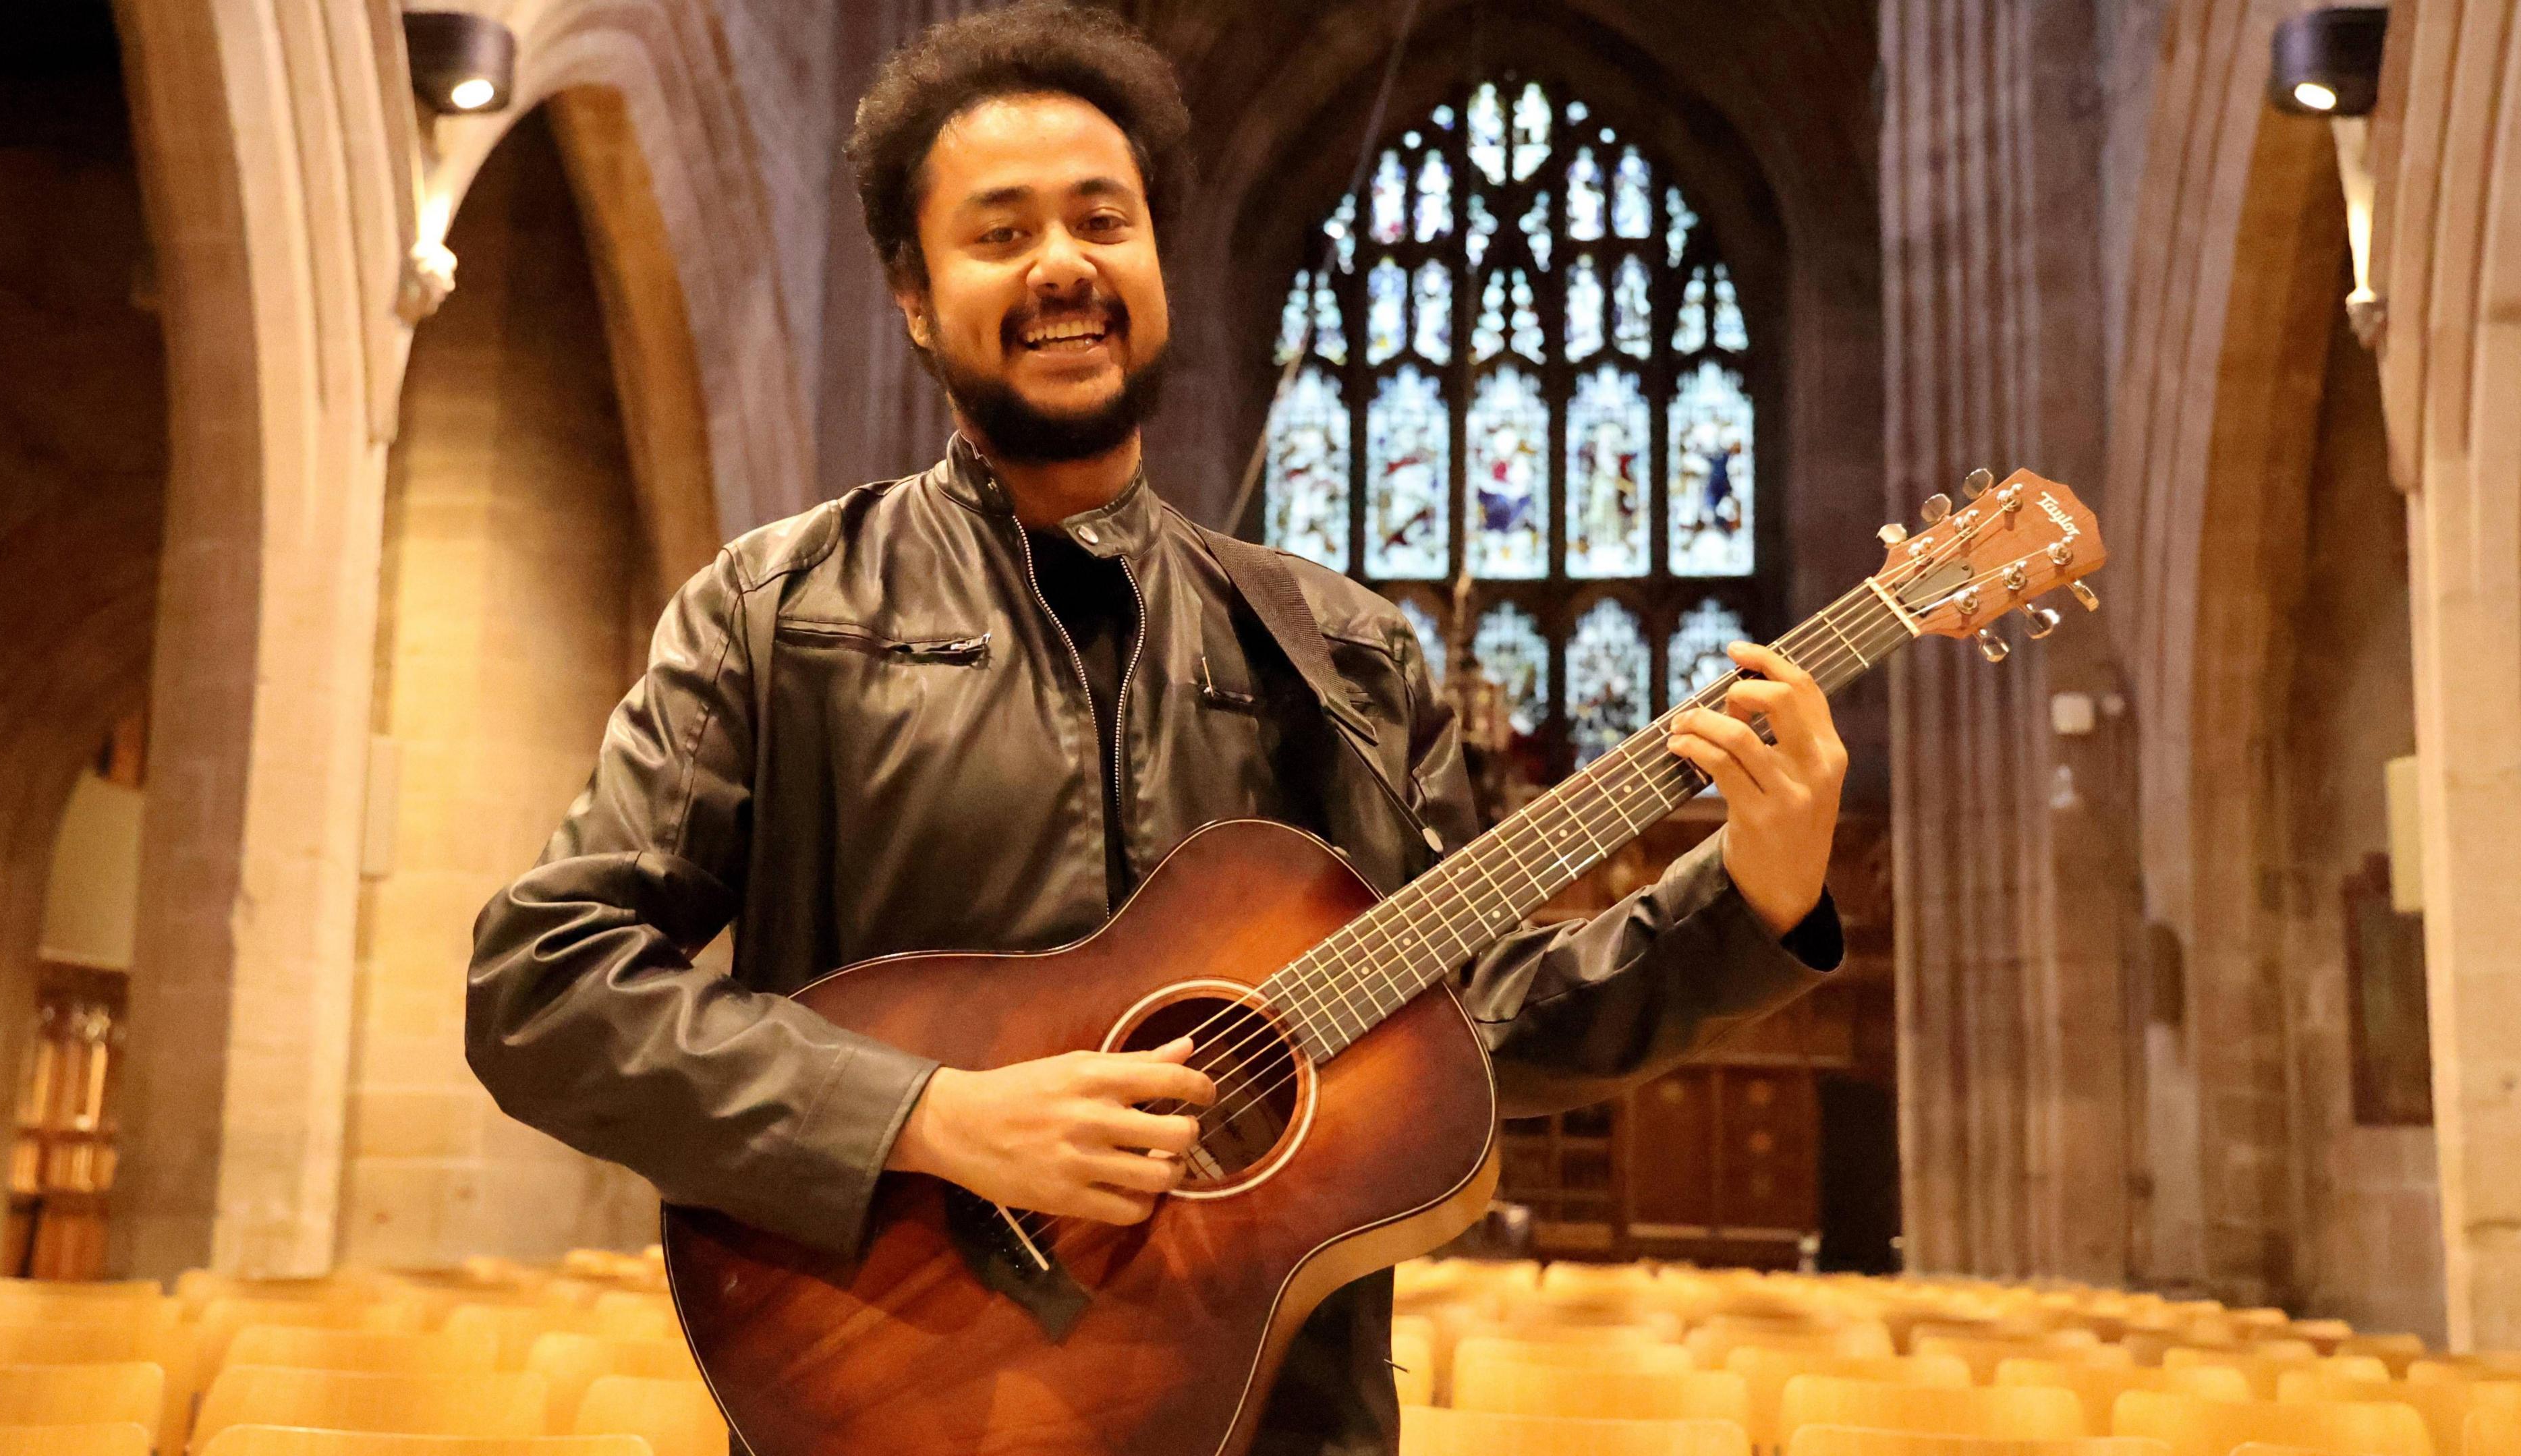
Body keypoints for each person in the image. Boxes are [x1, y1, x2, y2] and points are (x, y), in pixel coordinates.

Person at [465, 5, 1849, 1452]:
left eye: (1101, 221)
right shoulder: (776, 609)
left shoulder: (1352, 655)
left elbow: (1476, 1025)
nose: (1062, 264)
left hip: (1271, 1413)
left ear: (1157, 268)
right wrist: (922, 1115)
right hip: (908, 1396)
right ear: (916, 301)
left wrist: (1754, 898)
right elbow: (543, 987)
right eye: (1000, 233)